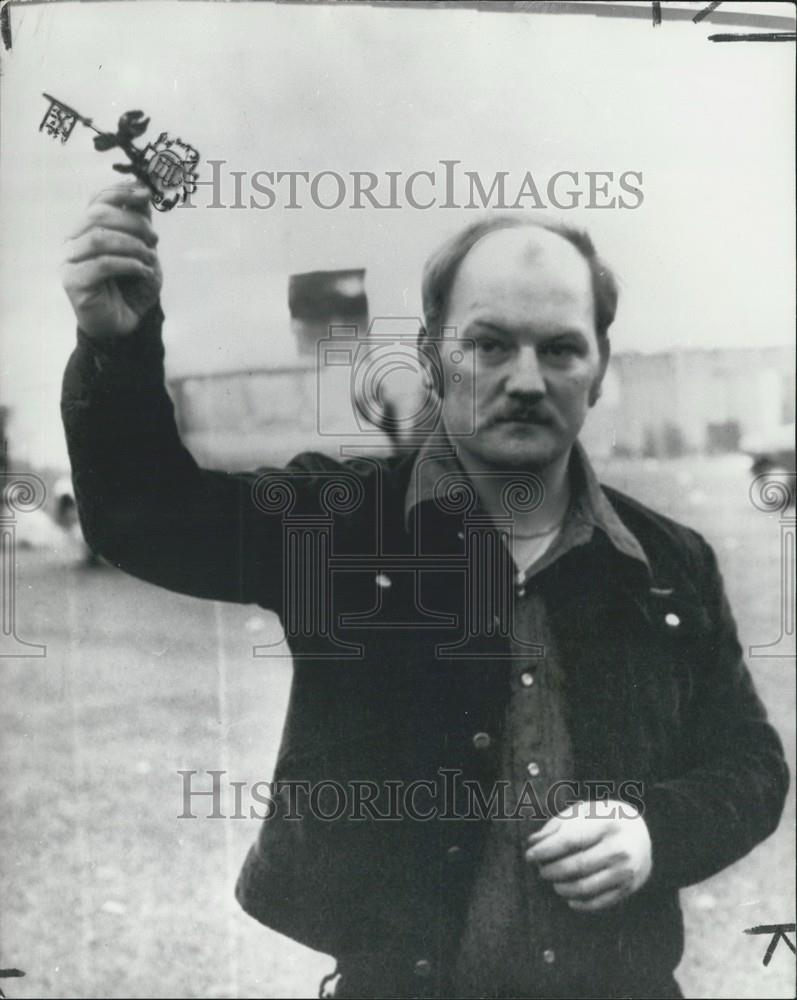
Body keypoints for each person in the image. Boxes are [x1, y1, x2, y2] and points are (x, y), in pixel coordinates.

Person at [61, 183, 788, 1000]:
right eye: (488, 345)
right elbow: (143, 518)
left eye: (559, 349)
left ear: (598, 369)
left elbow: (750, 763)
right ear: (435, 359)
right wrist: (115, 348)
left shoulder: (668, 562)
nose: (524, 379)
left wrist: (657, 830)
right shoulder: (337, 528)